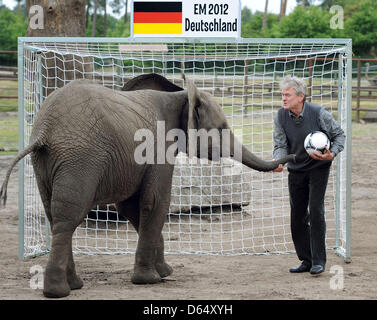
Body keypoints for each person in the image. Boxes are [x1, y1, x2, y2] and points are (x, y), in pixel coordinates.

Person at [272, 75, 345, 275]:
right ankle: (306, 259)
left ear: (301, 96)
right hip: (296, 170)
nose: (283, 98)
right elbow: (280, 145)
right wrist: (278, 161)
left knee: (315, 209)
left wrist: (332, 153)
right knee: (297, 216)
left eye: (287, 95)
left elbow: (340, 135)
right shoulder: (280, 116)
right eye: (282, 95)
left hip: (318, 167)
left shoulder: (319, 113)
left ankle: (319, 261)